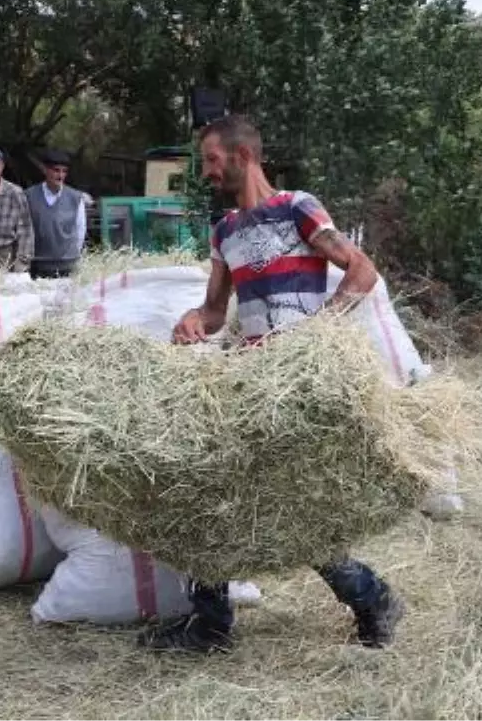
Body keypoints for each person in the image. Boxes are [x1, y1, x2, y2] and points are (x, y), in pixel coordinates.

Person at [136, 115, 405, 655]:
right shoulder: (225, 232)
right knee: (209, 487)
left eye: (212, 160)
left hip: (298, 385)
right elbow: (216, 311)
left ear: (243, 157)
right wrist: (195, 321)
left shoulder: (297, 209)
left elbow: (362, 272)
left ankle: (373, 597)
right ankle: (211, 623)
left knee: (294, 507)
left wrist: (318, 333)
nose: (206, 171)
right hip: (252, 378)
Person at [25, 149, 87, 278]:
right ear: (46, 170)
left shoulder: (75, 198)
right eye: (56, 170)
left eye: (64, 171)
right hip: (38, 265)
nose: (60, 175)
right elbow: (25, 229)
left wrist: (72, 255)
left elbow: (80, 230)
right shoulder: (29, 196)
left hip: (67, 266)